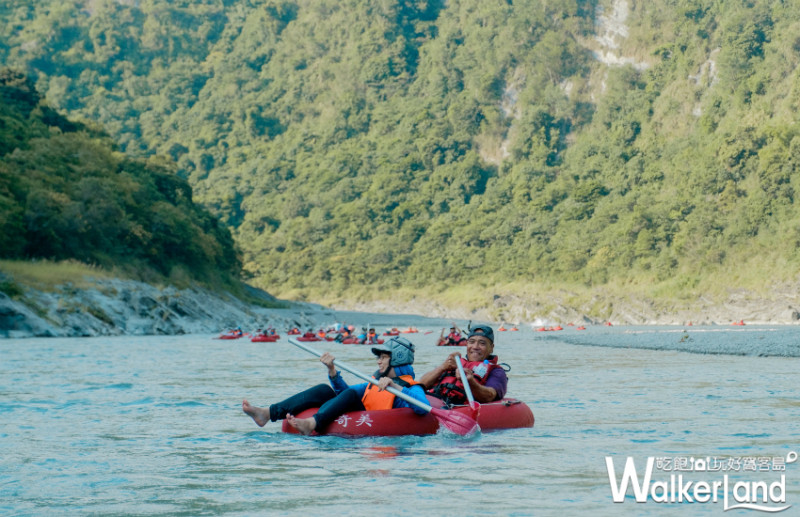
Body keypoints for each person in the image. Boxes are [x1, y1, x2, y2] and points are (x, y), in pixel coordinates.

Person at [242, 337, 429, 435]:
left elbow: (422, 408)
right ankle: (267, 413)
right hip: (365, 410)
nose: (378, 362)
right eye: (378, 357)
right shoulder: (374, 382)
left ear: (397, 359)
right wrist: (332, 370)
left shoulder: (410, 388)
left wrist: (396, 388)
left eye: (383, 357)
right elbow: (344, 394)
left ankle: (312, 424)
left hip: (382, 422)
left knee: (352, 395)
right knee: (324, 390)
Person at [419, 324, 507, 405]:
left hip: (455, 409)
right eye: (471, 342)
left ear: (491, 348)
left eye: (482, 343)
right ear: (467, 344)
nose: (475, 347)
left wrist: (471, 382)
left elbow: (490, 396)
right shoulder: (455, 362)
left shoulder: (497, 371)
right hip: (430, 402)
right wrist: (443, 367)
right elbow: (421, 385)